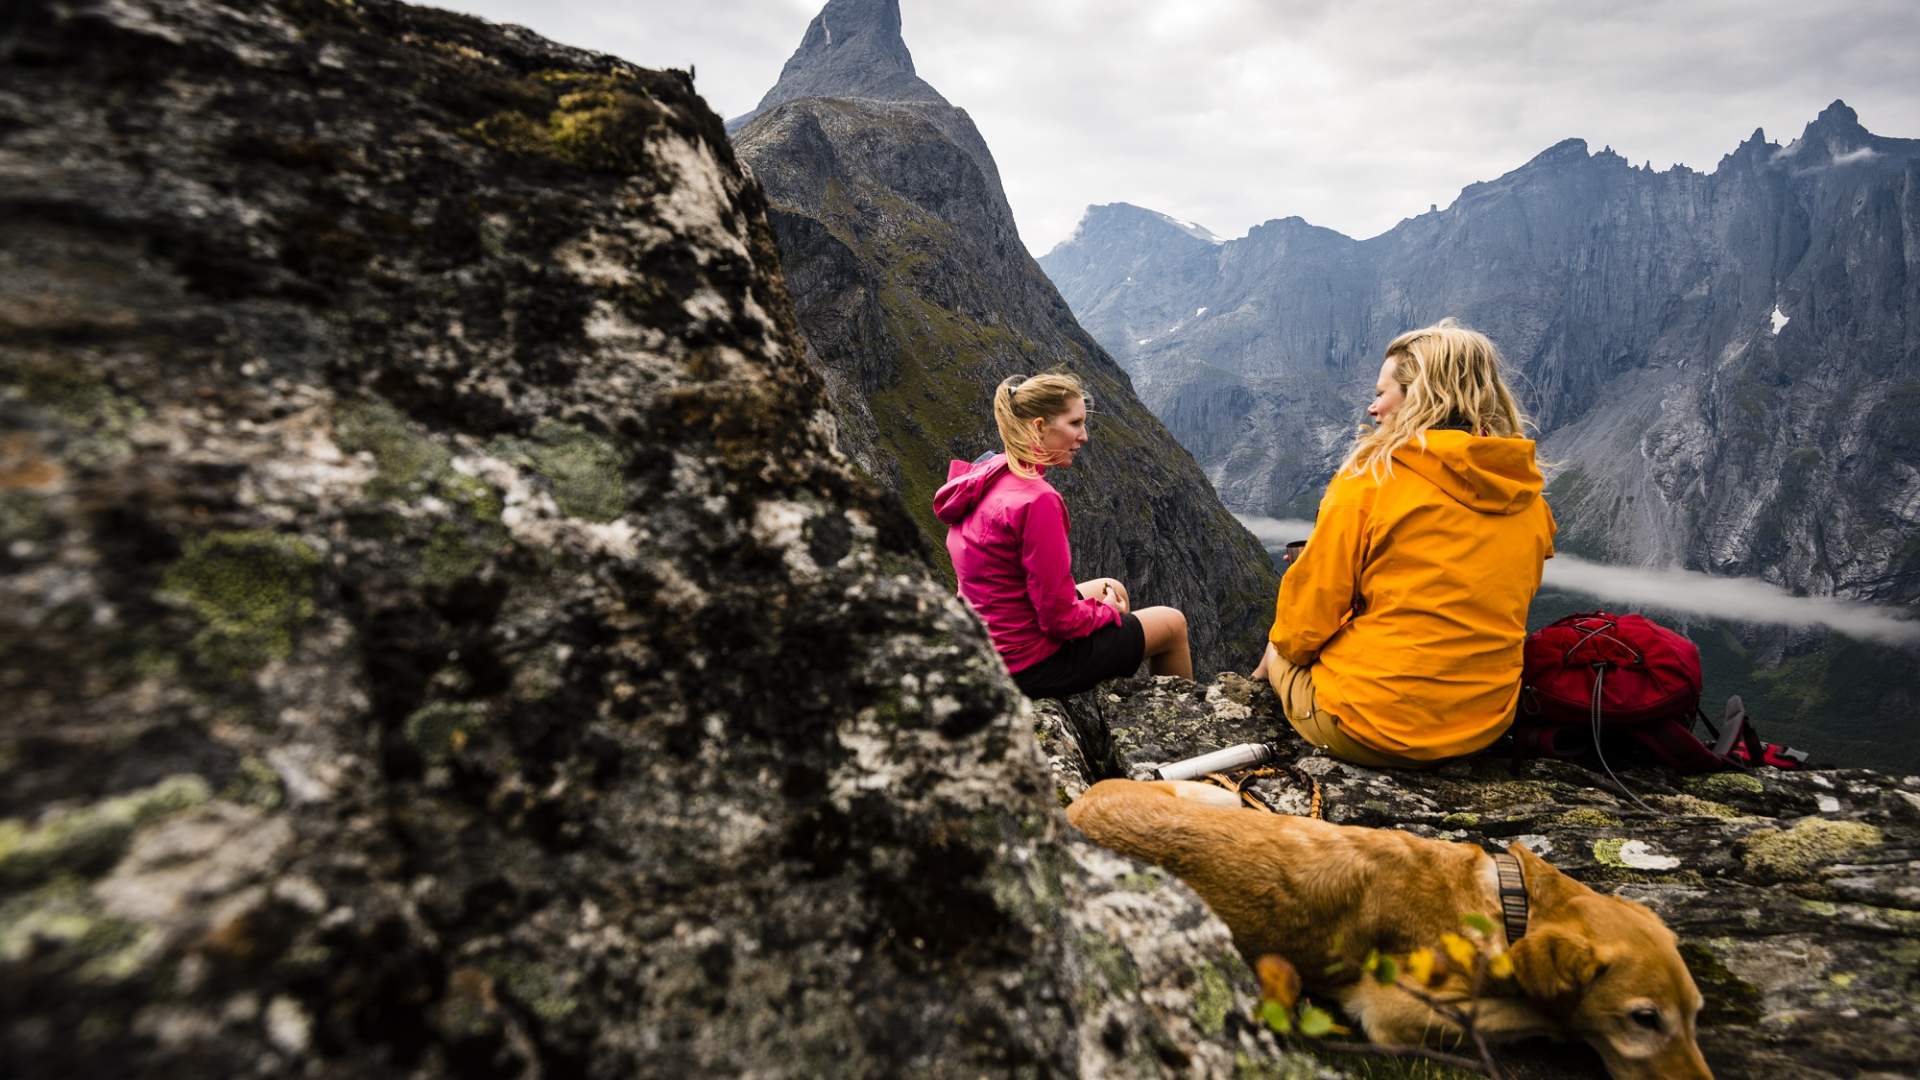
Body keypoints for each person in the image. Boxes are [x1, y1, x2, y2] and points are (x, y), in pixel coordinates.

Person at [1253, 319, 1555, 766]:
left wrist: (1283, 645)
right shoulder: (1523, 491)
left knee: (1279, 647)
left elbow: (1302, 630)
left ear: (1419, 397)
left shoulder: (1370, 479)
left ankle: (1252, 694)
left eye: (1382, 393)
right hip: (1484, 725)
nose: (1373, 408)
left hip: (1372, 727)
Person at [934, 373, 1192, 699]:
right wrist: (1108, 611)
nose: (1083, 437)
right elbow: (1059, 620)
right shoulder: (1037, 499)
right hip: (1026, 666)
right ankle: (1183, 721)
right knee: (1172, 623)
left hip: (984, 644)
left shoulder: (986, 476)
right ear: (1039, 426)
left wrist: (1103, 605)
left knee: (1114, 588)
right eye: (1074, 423)